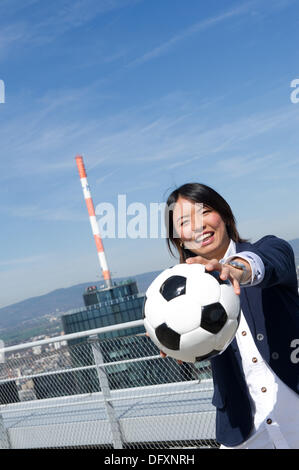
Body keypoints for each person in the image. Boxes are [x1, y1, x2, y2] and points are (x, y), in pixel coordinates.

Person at [164, 182, 299, 449]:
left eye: (204, 212)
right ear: (178, 237)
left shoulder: (270, 248)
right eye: (184, 221)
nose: (199, 225)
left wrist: (234, 269)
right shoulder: (181, 293)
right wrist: (169, 338)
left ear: (224, 214)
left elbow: (266, 262)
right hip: (245, 432)